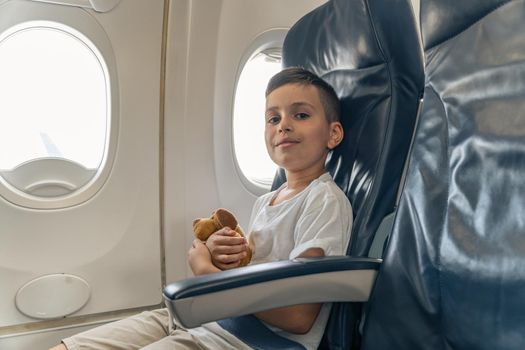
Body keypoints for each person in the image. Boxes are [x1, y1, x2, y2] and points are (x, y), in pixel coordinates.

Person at [50, 67, 353, 350]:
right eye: (273, 119)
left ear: (333, 134)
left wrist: (208, 273)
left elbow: (299, 317)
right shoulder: (266, 201)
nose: (283, 125)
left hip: (249, 340)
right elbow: (250, 271)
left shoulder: (323, 200)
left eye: (300, 114)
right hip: (208, 319)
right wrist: (221, 254)